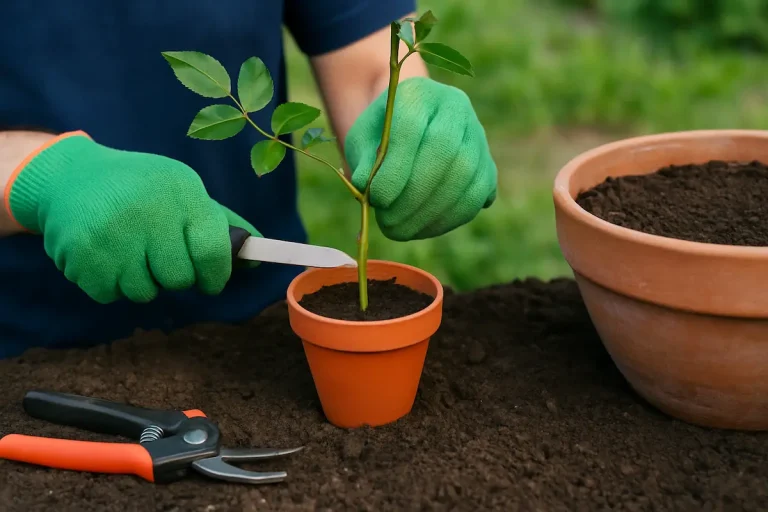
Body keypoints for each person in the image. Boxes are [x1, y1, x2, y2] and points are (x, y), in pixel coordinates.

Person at [0, 1, 497, 359]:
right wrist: (42, 176)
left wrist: (409, 115)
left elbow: (370, 59)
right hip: (27, 349)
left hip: (261, 336)